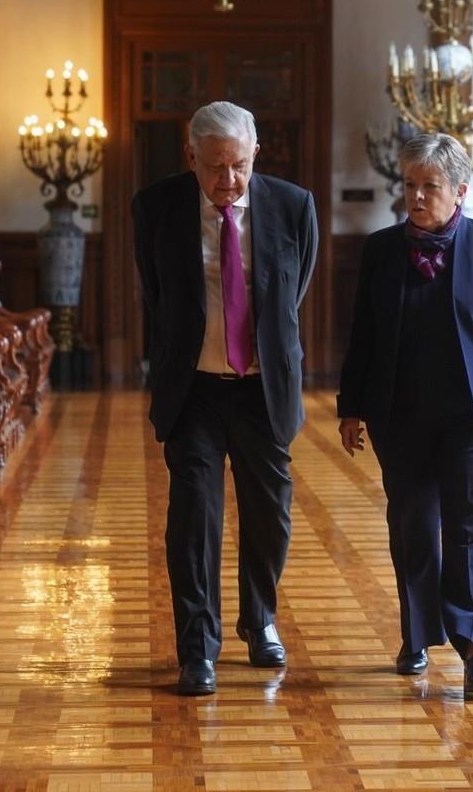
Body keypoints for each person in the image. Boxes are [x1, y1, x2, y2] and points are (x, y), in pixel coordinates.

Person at [336, 133, 473, 699]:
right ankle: (417, 635)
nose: (415, 196)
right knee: (411, 525)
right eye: (408, 185)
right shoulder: (382, 250)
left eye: (429, 186)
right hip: (399, 412)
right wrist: (351, 407)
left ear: (459, 190)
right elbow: (362, 334)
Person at [133, 101, 317, 696]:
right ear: (191, 158)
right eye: (214, 168)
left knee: (271, 518)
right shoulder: (157, 207)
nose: (227, 181)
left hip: (263, 390)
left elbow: (294, 290)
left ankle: (258, 618)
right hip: (195, 391)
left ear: (254, 155)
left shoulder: (293, 206)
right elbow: (157, 295)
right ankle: (198, 648)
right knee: (193, 519)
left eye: (238, 166)